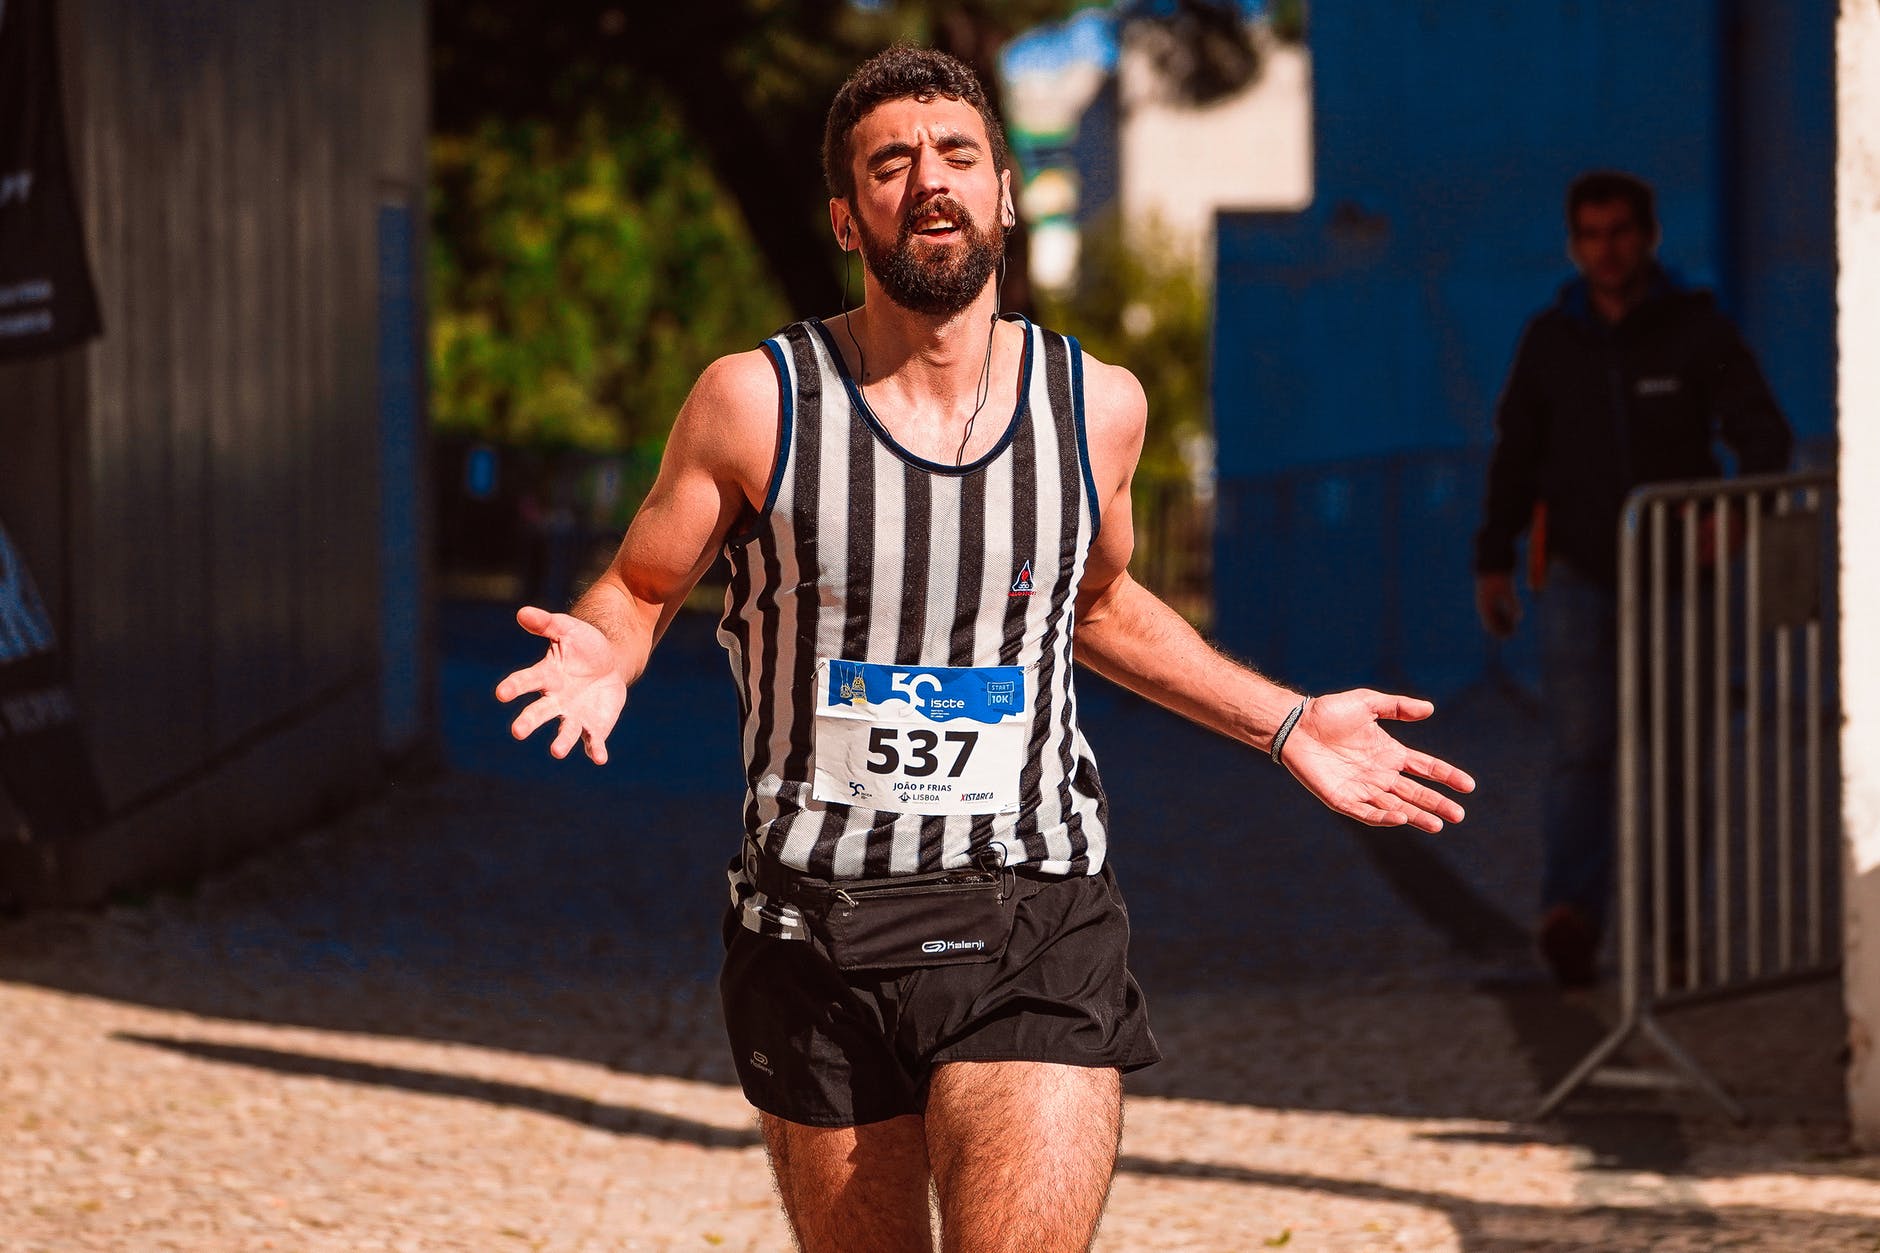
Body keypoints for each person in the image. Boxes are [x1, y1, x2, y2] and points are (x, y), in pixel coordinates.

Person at [499, 46, 1473, 1252]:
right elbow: (641, 586)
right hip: (813, 927)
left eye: (957, 154)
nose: (930, 182)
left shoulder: (1094, 407)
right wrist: (602, 645)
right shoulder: (757, 402)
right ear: (847, 217)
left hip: (1033, 913)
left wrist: (1280, 721)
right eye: (890, 164)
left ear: (1004, 193)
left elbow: (1100, 601)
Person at [1474, 170, 1791, 989]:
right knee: (1583, 751)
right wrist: (1493, 558)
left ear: (1648, 236)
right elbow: (1516, 453)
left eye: (1620, 232)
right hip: (1579, 578)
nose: (1606, 249)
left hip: (1681, 576)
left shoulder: (1697, 329)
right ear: (1574, 244)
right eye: (1590, 235)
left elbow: (1765, 435)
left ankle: (1674, 930)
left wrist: (1737, 513)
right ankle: (1571, 918)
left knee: (1681, 755)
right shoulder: (1552, 338)